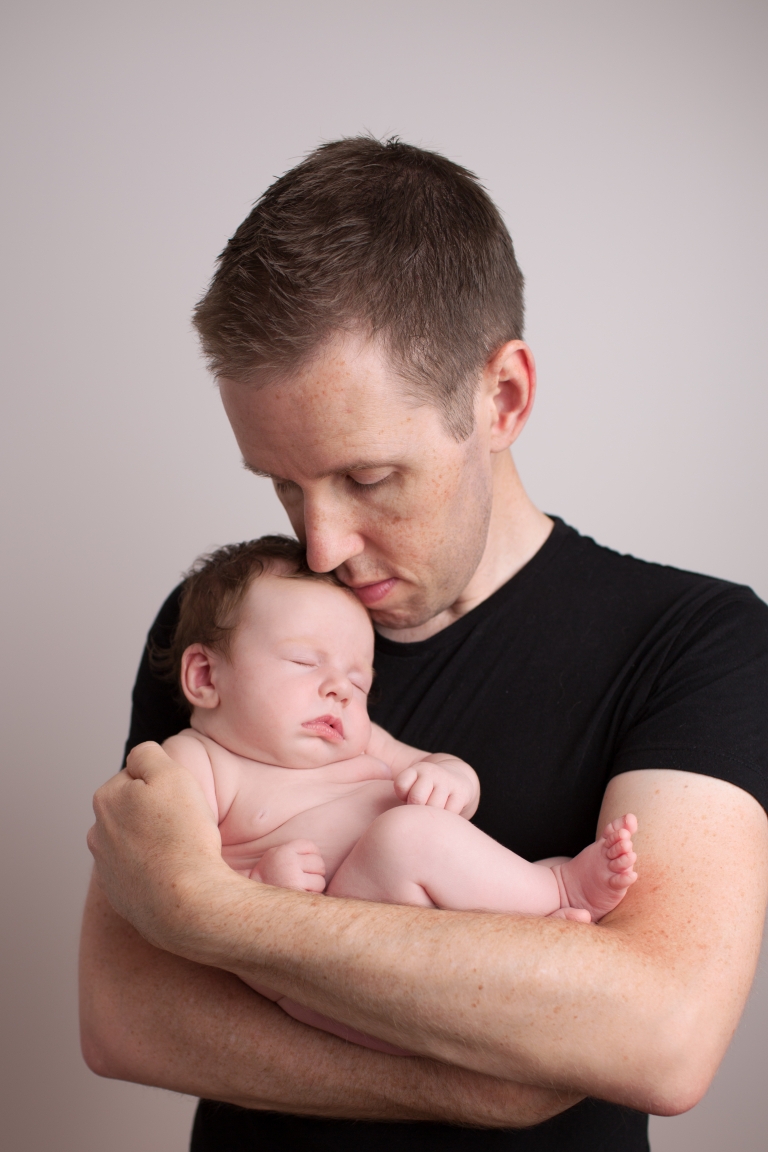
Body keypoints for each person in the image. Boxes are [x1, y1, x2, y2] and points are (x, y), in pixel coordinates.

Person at [82, 137, 768, 1152]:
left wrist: (205, 909)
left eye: (365, 479)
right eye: (278, 482)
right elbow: (125, 1016)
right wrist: (492, 1083)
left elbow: (659, 1037)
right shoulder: (240, 625)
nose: (319, 544)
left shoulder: (698, 642)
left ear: (503, 400)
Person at [158, 534, 638, 1052]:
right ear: (205, 676)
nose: (339, 689)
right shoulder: (194, 762)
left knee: (421, 838)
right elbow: (176, 881)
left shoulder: (361, 742)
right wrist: (255, 884)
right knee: (407, 835)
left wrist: (454, 779)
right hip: (326, 967)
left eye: (359, 682)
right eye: (303, 663)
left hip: (419, 933)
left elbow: (435, 767)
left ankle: (530, 929)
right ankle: (559, 892)